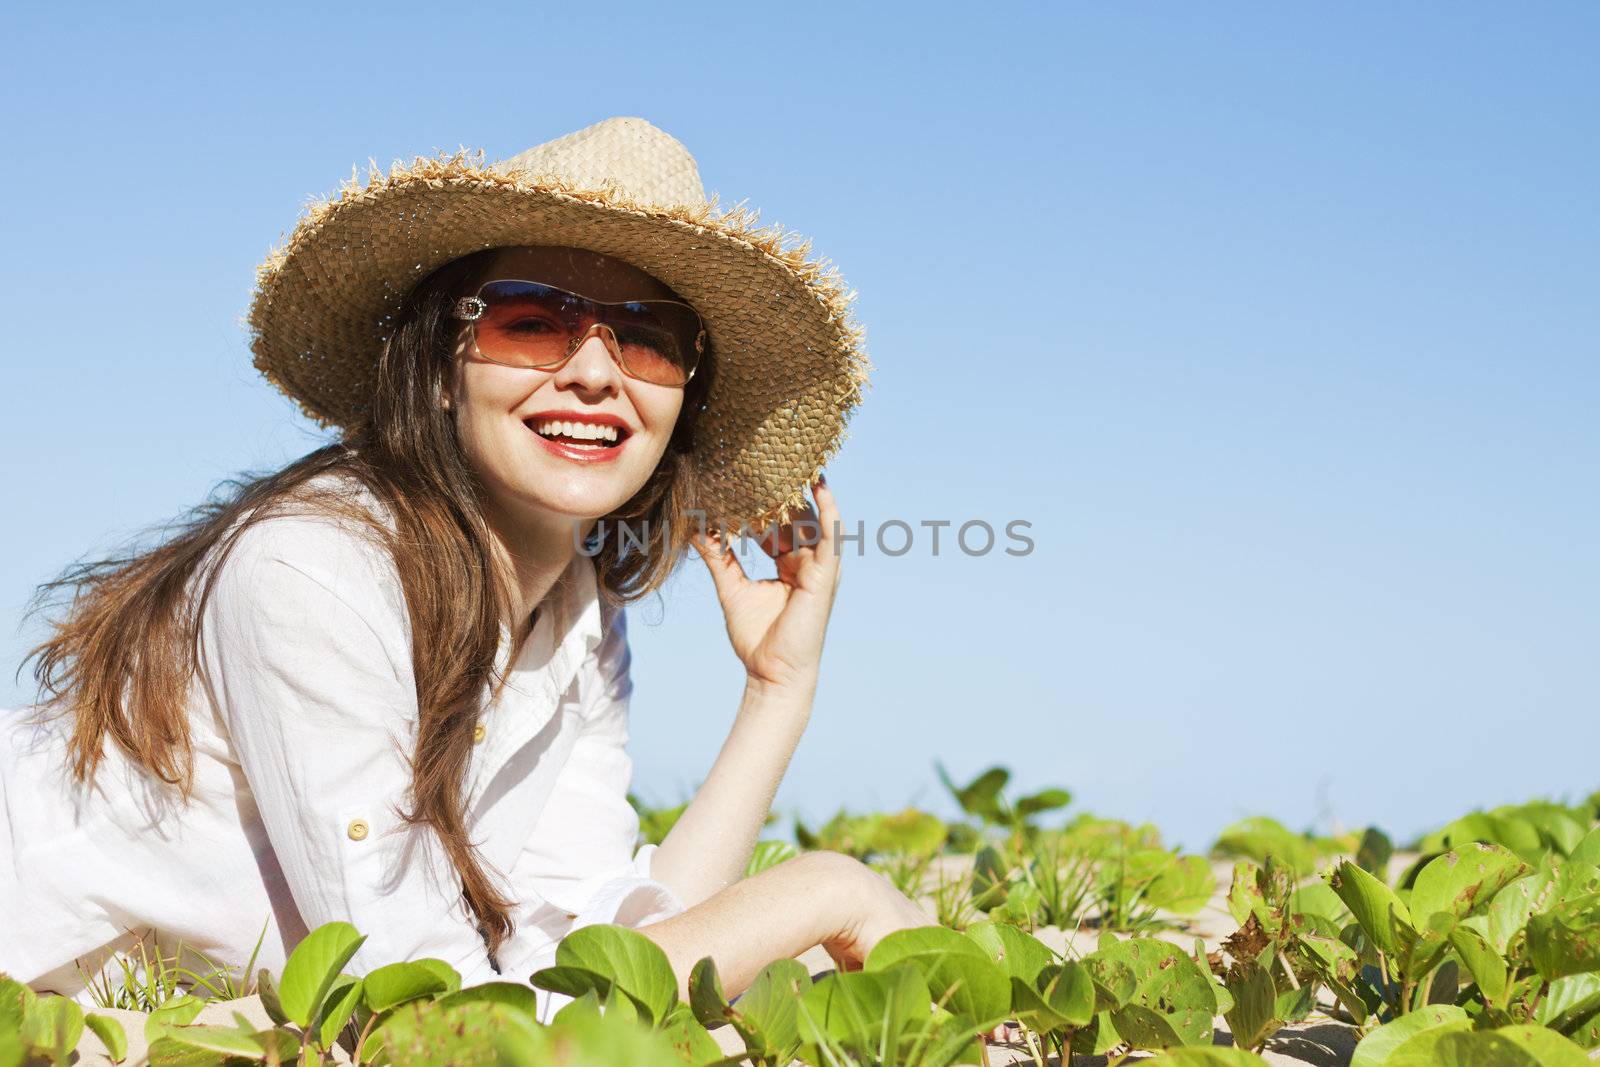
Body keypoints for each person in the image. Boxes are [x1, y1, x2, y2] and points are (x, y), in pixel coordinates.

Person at [0, 116, 929, 1019]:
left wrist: (777, 693)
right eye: (534, 322)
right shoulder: (310, 568)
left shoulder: (574, 610)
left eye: (646, 337)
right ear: (442, 366)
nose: (597, 374)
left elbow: (595, 954)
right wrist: (826, 890)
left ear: (682, 399)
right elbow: (425, 1010)